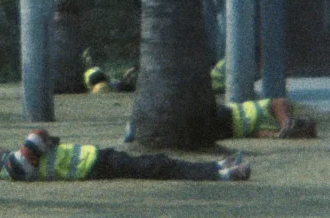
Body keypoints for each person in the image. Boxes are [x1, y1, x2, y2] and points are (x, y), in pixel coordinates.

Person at [0, 129, 251, 182]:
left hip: (95, 160)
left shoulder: (12, 165)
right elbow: (36, 137)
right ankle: (220, 174)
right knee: (157, 165)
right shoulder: (12, 167)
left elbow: (39, 144)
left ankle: (216, 166)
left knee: (156, 165)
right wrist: (43, 138)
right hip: (93, 165)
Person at [123, 97, 319, 143]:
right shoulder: (283, 108)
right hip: (228, 114)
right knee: (190, 117)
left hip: (229, 131)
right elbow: (278, 103)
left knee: (190, 134)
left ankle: (142, 132)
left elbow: (256, 134)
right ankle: (139, 125)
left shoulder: (277, 128)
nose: (299, 126)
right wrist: (286, 123)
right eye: (303, 123)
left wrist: (278, 135)